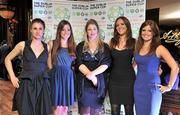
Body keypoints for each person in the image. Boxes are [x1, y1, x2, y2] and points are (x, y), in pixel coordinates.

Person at [5, 18, 52, 115]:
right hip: (26, 84)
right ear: (30, 30)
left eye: (40, 28)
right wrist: (13, 77)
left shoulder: (47, 47)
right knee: (25, 111)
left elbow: (49, 66)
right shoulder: (22, 45)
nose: (38, 31)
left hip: (42, 85)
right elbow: (7, 59)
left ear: (43, 31)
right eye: (35, 28)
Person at [134, 20, 179, 115]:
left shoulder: (159, 48)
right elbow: (137, 63)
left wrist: (169, 86)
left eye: (149, 31)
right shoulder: (138, 47)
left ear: (154, 33)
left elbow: (175, 67)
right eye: (144, 30)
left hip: (152, 89)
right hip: (138, 87)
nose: (146, 33)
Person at [76, 19, 111, 115]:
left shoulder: (105, 46)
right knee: (85, 112)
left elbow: (106, 63)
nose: (92, 32)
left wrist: (93, 75)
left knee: (96, 112)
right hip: (84, 85)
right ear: (86, 31)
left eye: (94, 29)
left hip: (98, 84)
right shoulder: (80, 46)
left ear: (98, 31)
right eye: (89, 29)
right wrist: (88, 74)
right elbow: (78, 63)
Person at [47, 20, 76, 115]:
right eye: (63, 29)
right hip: (56, 76)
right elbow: (47, 57)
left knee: (65, 106)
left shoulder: (73, 46)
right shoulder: (52, 43)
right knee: (56, 105)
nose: (66, 32)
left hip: (68, 76)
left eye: (68, 29)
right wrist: (51, 69)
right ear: (59, 31)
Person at [108, 16, 136, 115]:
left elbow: (138, 59)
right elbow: (108, 61)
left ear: (127, 25)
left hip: (129, 81)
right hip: (114, 81)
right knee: (114, 111)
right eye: (117, 25)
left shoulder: (133, 42)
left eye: (122, 24)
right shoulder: (112, 42)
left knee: (129, 110)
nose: (119, 27)